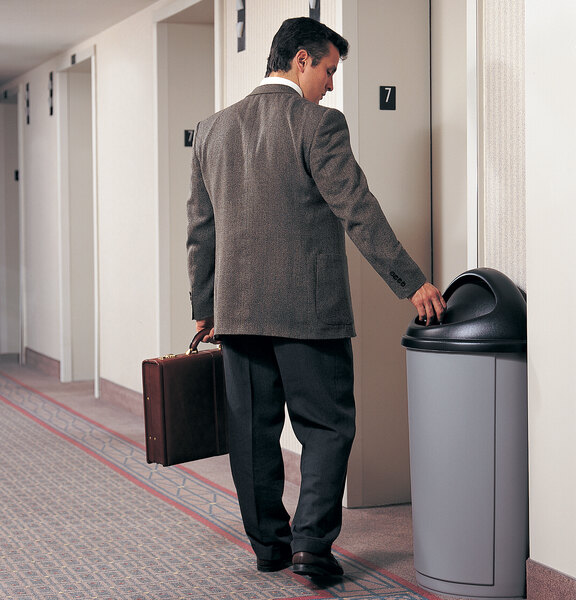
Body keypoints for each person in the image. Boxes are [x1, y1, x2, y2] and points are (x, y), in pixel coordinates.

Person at [187, 17, 446, 578]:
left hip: (237, 313)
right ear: (301, 60)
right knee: (326, 427)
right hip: (308, 312)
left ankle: (269, 549)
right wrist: (412, 281)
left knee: (251, 433)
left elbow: (200, 230)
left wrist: (205, 307)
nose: (331, 84)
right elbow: (358, 208)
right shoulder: (317, 124)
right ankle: (311, 546)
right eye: (329, 70)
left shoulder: (211, 130)